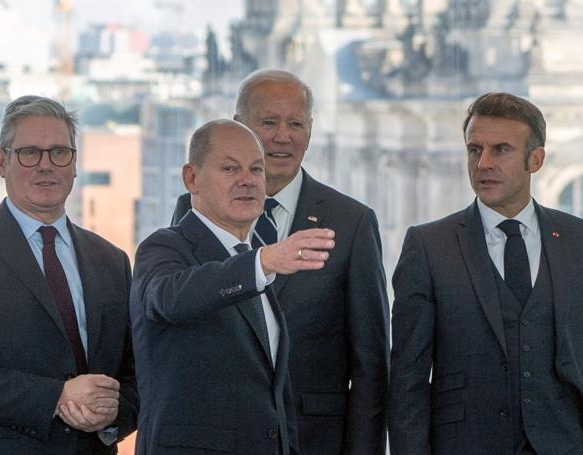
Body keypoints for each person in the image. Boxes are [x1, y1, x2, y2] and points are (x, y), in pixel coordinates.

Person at [171, 69, 389, 454]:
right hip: (217, 439)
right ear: (239, 128)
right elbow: (180, 317)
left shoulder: (350, 222)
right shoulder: (193, 212)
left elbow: (370, 364)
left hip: (314, 440)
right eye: (268, 123)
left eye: (296, 124)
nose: (283, 136)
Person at [0, 95, 138, 454]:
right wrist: (55, 398)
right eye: (30, 153)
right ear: (1, 161)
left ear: (74, 163)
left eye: (59, 152)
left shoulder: (111, 260)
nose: (46, 165)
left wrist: (114, 416)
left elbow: (137, 372)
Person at [389, 92, 583, 454]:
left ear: (535, 160)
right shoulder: (429, 246)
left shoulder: (577, 240)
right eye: (474, 150)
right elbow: (407, 382)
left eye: (501, 150)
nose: (483, 164)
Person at [131, 119, 336, 454]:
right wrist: (263, 262)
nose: (247, 181)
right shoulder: (165, 247)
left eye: (256, 169)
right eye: (230, 168)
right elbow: (170, 298)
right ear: (191, 179)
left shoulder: (253, 260)